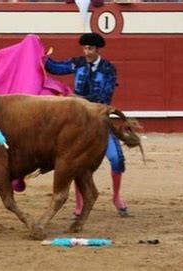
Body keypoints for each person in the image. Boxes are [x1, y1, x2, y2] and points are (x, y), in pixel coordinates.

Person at [45, 32, 129, 218]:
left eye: (90, 48)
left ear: (98, 49)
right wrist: (39, 55)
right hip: (80, 123)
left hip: (100, 120)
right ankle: (79, 203)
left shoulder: (108, 69)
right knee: (77, 162)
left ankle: (116, 196)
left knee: (117, 160)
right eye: (84, 48)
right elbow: (56, 67)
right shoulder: (79, 63)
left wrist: (78, 99)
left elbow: (105, 98)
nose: (87, 51)